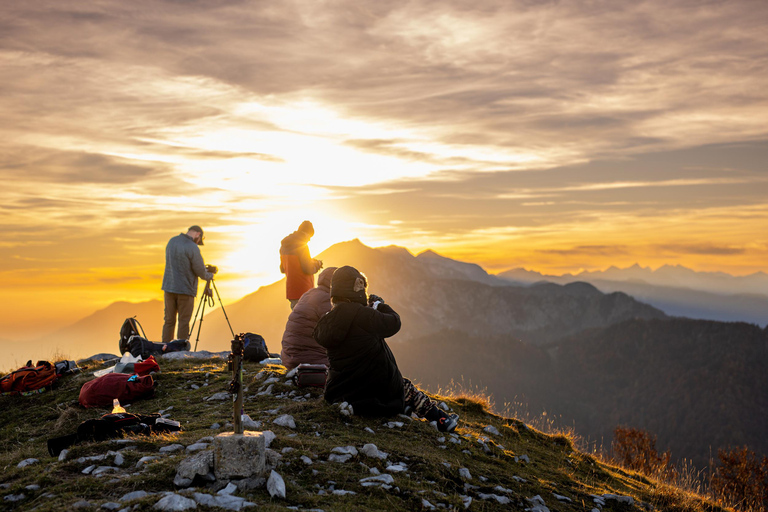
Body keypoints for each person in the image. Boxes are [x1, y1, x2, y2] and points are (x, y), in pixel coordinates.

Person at [313, 265, 459, 432]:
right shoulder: (363, 315)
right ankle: (441, 419)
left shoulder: (327, 319)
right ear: (357, 287)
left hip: (338, 391)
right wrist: (380, 305)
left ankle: (397, 408)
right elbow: (394, 322)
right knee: (404, 386)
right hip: (370, 388)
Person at [161, 225, 214, 342]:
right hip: (185, 290)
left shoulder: (172, 242)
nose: (198, 242)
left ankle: (165, 348)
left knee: (169, 320)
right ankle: (180, 351)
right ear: (198, 235)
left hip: (169, 287)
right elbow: (200, 270)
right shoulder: (192, 247)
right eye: (199, 240)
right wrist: (209, 275)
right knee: (183, 321)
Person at [280, 266, 337, 371]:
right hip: (309, 359)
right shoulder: (327, 300)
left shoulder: (309, 294)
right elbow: (335, 333)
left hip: (289, 357)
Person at [280, 221, 323, 309]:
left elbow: (283, 269)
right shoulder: (302, 246)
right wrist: (317, 265)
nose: (309, 239)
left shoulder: (283, 247)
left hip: (292, 291)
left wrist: (310, 261)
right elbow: (308, 269)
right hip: (304, 289)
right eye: (309, 236)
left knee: (297, 318)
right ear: (305, 233)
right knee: (306, 319)